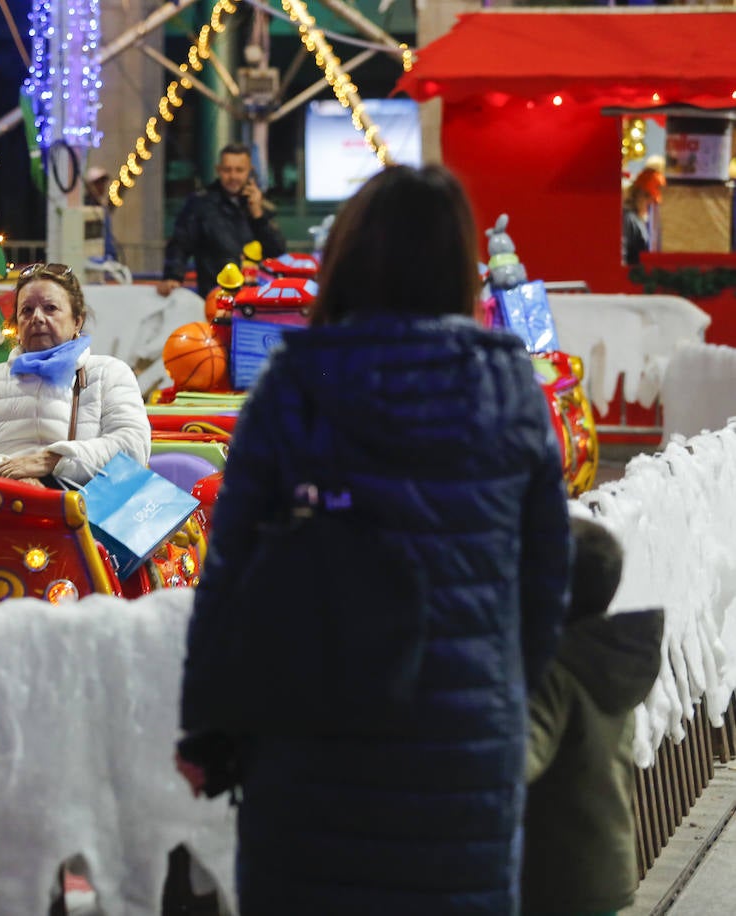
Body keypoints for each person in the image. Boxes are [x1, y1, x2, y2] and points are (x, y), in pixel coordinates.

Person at [176, 164, 573, 912]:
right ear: (462, 267)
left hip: (308, 738)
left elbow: (228, 569)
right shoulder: (508, 388)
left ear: (348, 261)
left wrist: (208, 728)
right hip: (463, 752)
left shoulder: (294, 383)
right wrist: (499, 679)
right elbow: (549, 574)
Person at [522, 516, 663, 916]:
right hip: (606, 865)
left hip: (556, 875)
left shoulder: (556, 674)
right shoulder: (607, 658)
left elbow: (519, 760)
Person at [0, 262, 150, 487]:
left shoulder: (109, 373)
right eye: (27, 310)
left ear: (77, 321)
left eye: (50, 308)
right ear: (17, 324)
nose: (37, 318)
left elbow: (134, 446)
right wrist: (9, 471)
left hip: (84, 515)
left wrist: (53, 460)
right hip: (5, 508)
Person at [157, 144, 285, 296]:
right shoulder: (200, 204)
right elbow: (179, 243)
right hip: (216, 296)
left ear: (249, 171)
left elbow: (277, 252)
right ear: (218, 170)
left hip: (257, 297)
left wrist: (258, 215)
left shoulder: (260, 205)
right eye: (227, 170)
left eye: (239, 170)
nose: (233, 176)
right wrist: (173, 276)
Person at [623, 157, 665, 265]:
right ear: (639, 195)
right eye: (649, 198)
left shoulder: (640, 219)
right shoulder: (628, 219)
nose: (651, 204)